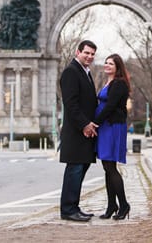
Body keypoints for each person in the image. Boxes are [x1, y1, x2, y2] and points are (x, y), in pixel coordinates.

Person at [58, 40, 99, 222]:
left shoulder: (85, 72)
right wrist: (85, 124)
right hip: (76, 132)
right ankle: (68, 209)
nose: (89, 56)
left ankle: (73, 206)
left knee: (80, 168)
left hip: (84, 132)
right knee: (74, 169)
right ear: (77, 52)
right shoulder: (71, 72)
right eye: (86, 53)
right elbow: (71, 104)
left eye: (92, 54)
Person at [93, 54, 131, 220]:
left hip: (112, 126)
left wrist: (95, 123)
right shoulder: (108, 82)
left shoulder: (119, 83)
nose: (107, 65)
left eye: (111, 64)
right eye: (106, 63)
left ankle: (123, 204)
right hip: (105, 126)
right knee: (107, 167)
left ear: (117, 67)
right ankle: (111, 205)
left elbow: (110, 107)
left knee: (110, 166)